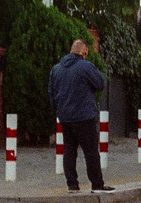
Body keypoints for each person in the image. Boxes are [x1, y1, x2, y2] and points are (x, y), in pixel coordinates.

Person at [48, 39, 115, 193]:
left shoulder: (56, 69)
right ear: (84, 52)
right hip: (85, 117)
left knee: (69, 151)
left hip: (65, 117)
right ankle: (97, 184)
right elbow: (100, 83)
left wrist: (58, 112)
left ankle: (72, 185)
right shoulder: (85, 66)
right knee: (91, 152)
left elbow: (51, 93)